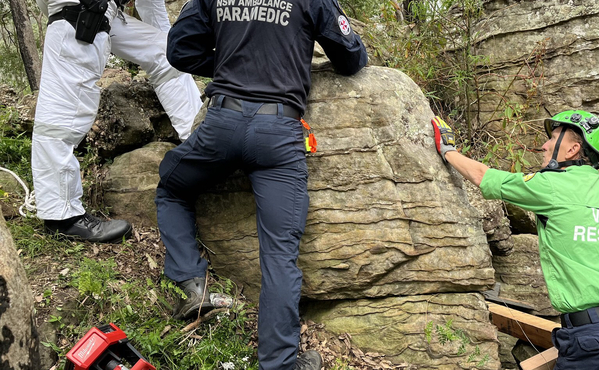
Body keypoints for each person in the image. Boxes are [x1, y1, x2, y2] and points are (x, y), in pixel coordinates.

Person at [156, 0, 367, 368]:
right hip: (279, 134)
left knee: (172, 187)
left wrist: (228, 63)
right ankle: (280, 363)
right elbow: (350, 58)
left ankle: (192, 281)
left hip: (222, 123)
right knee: (280, 255)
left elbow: (179, 50)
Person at [431, 110, 599, 369]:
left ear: (573, 149)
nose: (544, 145)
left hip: (597, 337)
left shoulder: (552, 185)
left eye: (552, 139)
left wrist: (448, 149)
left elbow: (484, 177)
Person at [33, 0, 202, 243]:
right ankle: (62, 216)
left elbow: (151, 5)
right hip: (82, 8)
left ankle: (196, 136)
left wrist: (174, 46)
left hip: (106, 11)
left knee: (165, 50)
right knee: (63, 114)